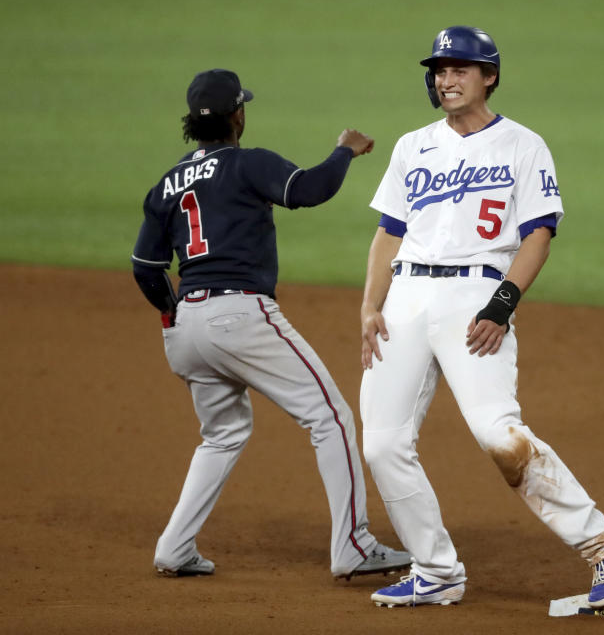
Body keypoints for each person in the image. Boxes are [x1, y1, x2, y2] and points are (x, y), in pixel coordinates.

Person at [357, 27, 604, 608]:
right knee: (382, 444)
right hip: (406, 298)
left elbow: (539, 233)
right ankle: (435, 570)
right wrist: (370, 305)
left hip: (477, 298)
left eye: (460, 69)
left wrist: (502, 306)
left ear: (489, 76)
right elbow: (389, 233)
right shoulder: (414, 146)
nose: (446, 79)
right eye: (439, 70)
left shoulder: (523, 146)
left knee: (497, 434)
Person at [131, 68, 411, 579]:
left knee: (222, 434)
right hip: (240, 315)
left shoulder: (166, 184)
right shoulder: (245, 163)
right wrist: (344, 149)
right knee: (331, 417)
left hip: (186, 324)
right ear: (239, 115)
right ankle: (353, 544)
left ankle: (174, 547)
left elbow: (146, 268)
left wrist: (173, 314)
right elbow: (307, 190)